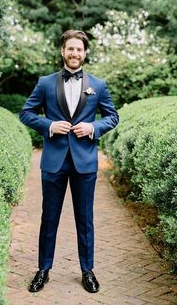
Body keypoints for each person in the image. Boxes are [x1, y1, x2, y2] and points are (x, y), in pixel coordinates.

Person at [19, 29, 119, 293]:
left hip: (85, 162)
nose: (75, 53)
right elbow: (26, 113)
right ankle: (43, 269)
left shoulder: (98, 85)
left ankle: (87, 270)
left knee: (84, 219)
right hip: (53, 161)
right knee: (49, 217)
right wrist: (49, 125)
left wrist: (93, 128)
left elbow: (112, 117)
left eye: (79, 49)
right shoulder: (45, 83)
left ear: (85, 53)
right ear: (63, 51)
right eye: (70, 48)